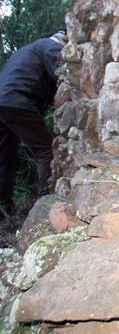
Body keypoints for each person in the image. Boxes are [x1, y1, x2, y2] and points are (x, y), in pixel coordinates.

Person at [0, 29, 67, 218]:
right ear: (63, 39)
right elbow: (64, 76)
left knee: (4, 157)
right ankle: (43, 200)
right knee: (47, 150)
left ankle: (5, 209)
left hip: (3, 101)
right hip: (19, 100)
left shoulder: (26, 50)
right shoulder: (51, 46)